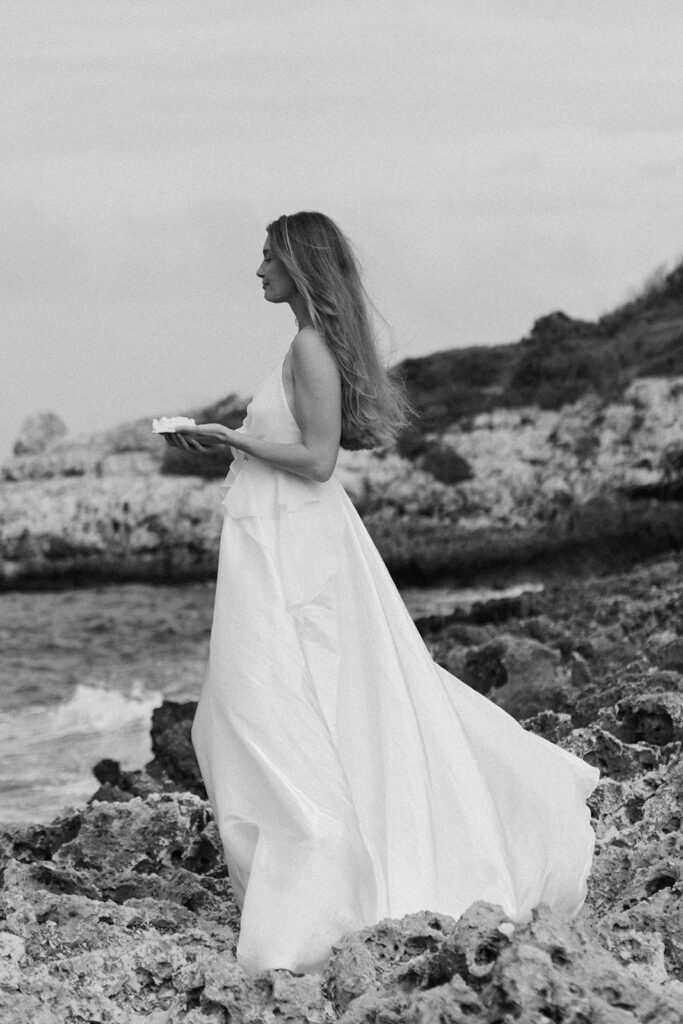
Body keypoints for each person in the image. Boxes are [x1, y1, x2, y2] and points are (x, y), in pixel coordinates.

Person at [163, 211, 599, 975]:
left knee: (267, 707)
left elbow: (317, 459)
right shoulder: (303, 345)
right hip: (284, 542)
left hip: (296, 550)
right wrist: (224, 441)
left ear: (299, 266)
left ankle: (323, 881)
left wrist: (230, 438)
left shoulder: (307, 346)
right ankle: (320, 867)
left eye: (267, 257)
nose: (256, 269)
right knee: (287, 709)